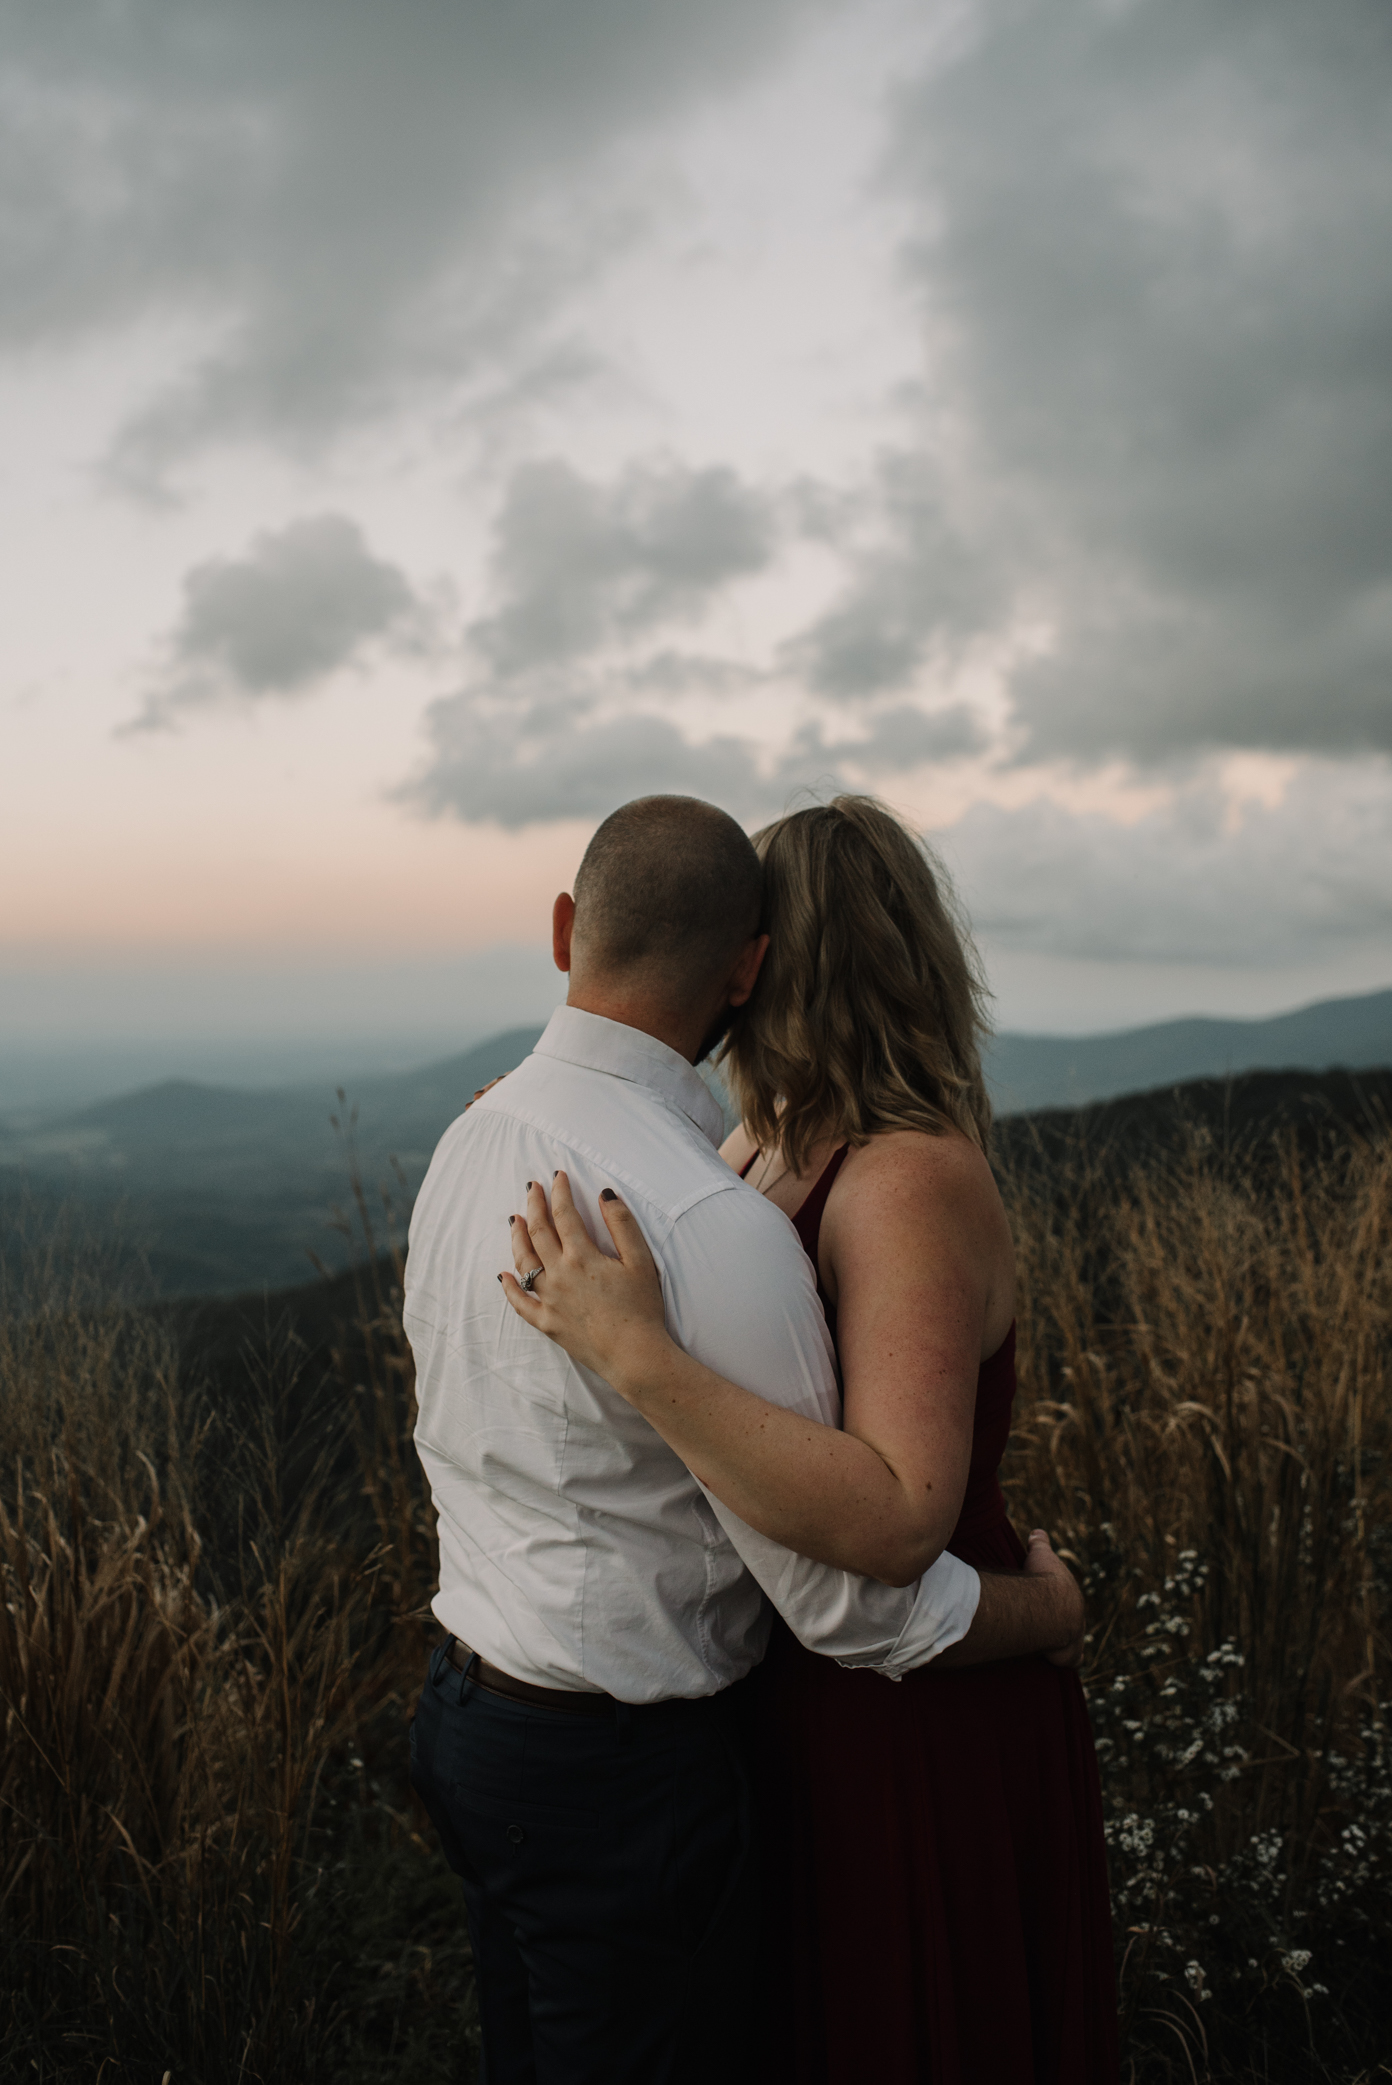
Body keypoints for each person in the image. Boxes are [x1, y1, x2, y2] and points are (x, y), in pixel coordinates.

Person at [405, 794, 1086, 2085]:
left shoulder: (530, 1145)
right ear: (743, 962)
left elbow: (883, 1533)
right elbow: (862, 1588)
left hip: (812, 1718)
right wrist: (1049, 1616)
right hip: (752, 1710)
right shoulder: (728, 1175)